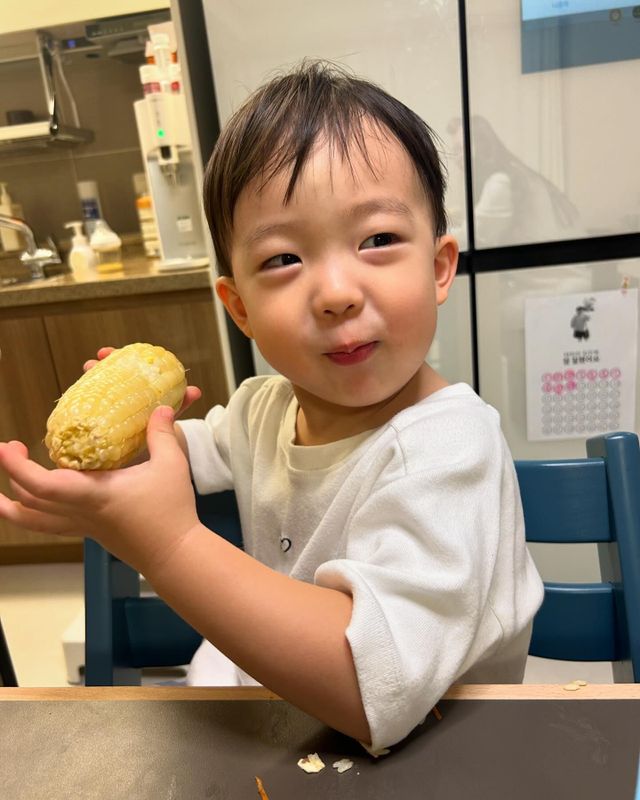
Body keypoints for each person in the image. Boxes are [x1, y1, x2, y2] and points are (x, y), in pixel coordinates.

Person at [0, 61, 543, 752]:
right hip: (285, 734)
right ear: (240, 309)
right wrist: (128, 450)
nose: (336, 293)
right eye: (284, 259)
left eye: (377, 240)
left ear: (438, 268)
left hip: (440, 758)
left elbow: (370, 685)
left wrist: (169, 545)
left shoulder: (449, 448)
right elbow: (186, 454)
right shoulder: (261, 409)